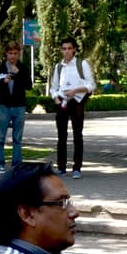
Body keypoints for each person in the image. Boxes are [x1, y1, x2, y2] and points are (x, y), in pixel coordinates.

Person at [48, 37, 94, 179]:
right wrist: (55, 97)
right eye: (64, 48)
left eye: (69, 48)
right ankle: (61, 167)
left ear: (74, 49)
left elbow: (91, 85)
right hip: (62, 102)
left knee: (77, 135)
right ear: (61, 50)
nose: (67, 51)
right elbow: (54, 87)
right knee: (61, 136)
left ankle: (77, 168)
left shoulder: (82, 64)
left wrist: (76, 90)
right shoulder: (59, 67)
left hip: (77, 101)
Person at [0, 41, 31, 174]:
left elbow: (29, 86)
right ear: (6, 54)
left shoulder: (23, 68)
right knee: (0, 137)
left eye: (15, 53)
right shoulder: (0, 69)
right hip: (4, 106)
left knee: (17, 138)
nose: (13, 56)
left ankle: (17, 164)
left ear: (18, 54)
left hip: (19, 107)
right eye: (10, 53)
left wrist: (18, 74)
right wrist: (3, 81)